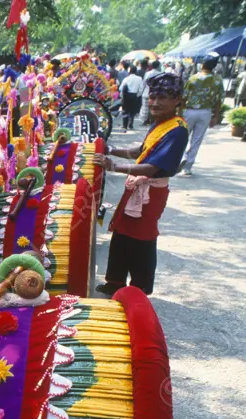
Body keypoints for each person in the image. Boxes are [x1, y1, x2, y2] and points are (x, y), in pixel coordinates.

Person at [93, 73, 189, 297]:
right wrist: (111, 150)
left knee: (142, 238)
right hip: (138, 187)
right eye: (153, 97)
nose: (155, 103)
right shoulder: (161, 124)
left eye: (162, 97)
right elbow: (139, 152)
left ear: (177, 100)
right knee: (123, 232)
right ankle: (115, 281)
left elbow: (150, 168)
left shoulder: (177, 129)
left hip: (150, 191)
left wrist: (113, 166)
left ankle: (139, 288)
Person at [180, 56, 223, 177]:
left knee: (183, 136)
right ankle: (188, 167)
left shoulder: (193, 78)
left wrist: (179, 112)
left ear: (202, 64)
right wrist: (216, 116)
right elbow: (219, 100)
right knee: (197, 140)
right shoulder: (218, 80)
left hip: (190, 111)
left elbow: (184, 97)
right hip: (206, 112)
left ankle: (182, 157)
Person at [120, 65, 145, 130]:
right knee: (132, 111)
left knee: (125, 110)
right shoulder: (139, 78)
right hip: (134, 95)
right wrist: (137, 95)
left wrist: (122, 97)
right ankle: (130, 124)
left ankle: (124, 125)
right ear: (136, 71)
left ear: (129, 71)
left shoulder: (126, 79)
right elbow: (141, 89)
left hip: (126, 96)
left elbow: (121, 88)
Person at [140, 60, 161, 124]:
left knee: (145, 108)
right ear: (158, 66)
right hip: (156, 93)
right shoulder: (160, 74)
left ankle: (145, 121)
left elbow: (143, 83)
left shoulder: (147, 73)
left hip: (146, 92)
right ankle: (153, 121)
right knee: (154, 107)